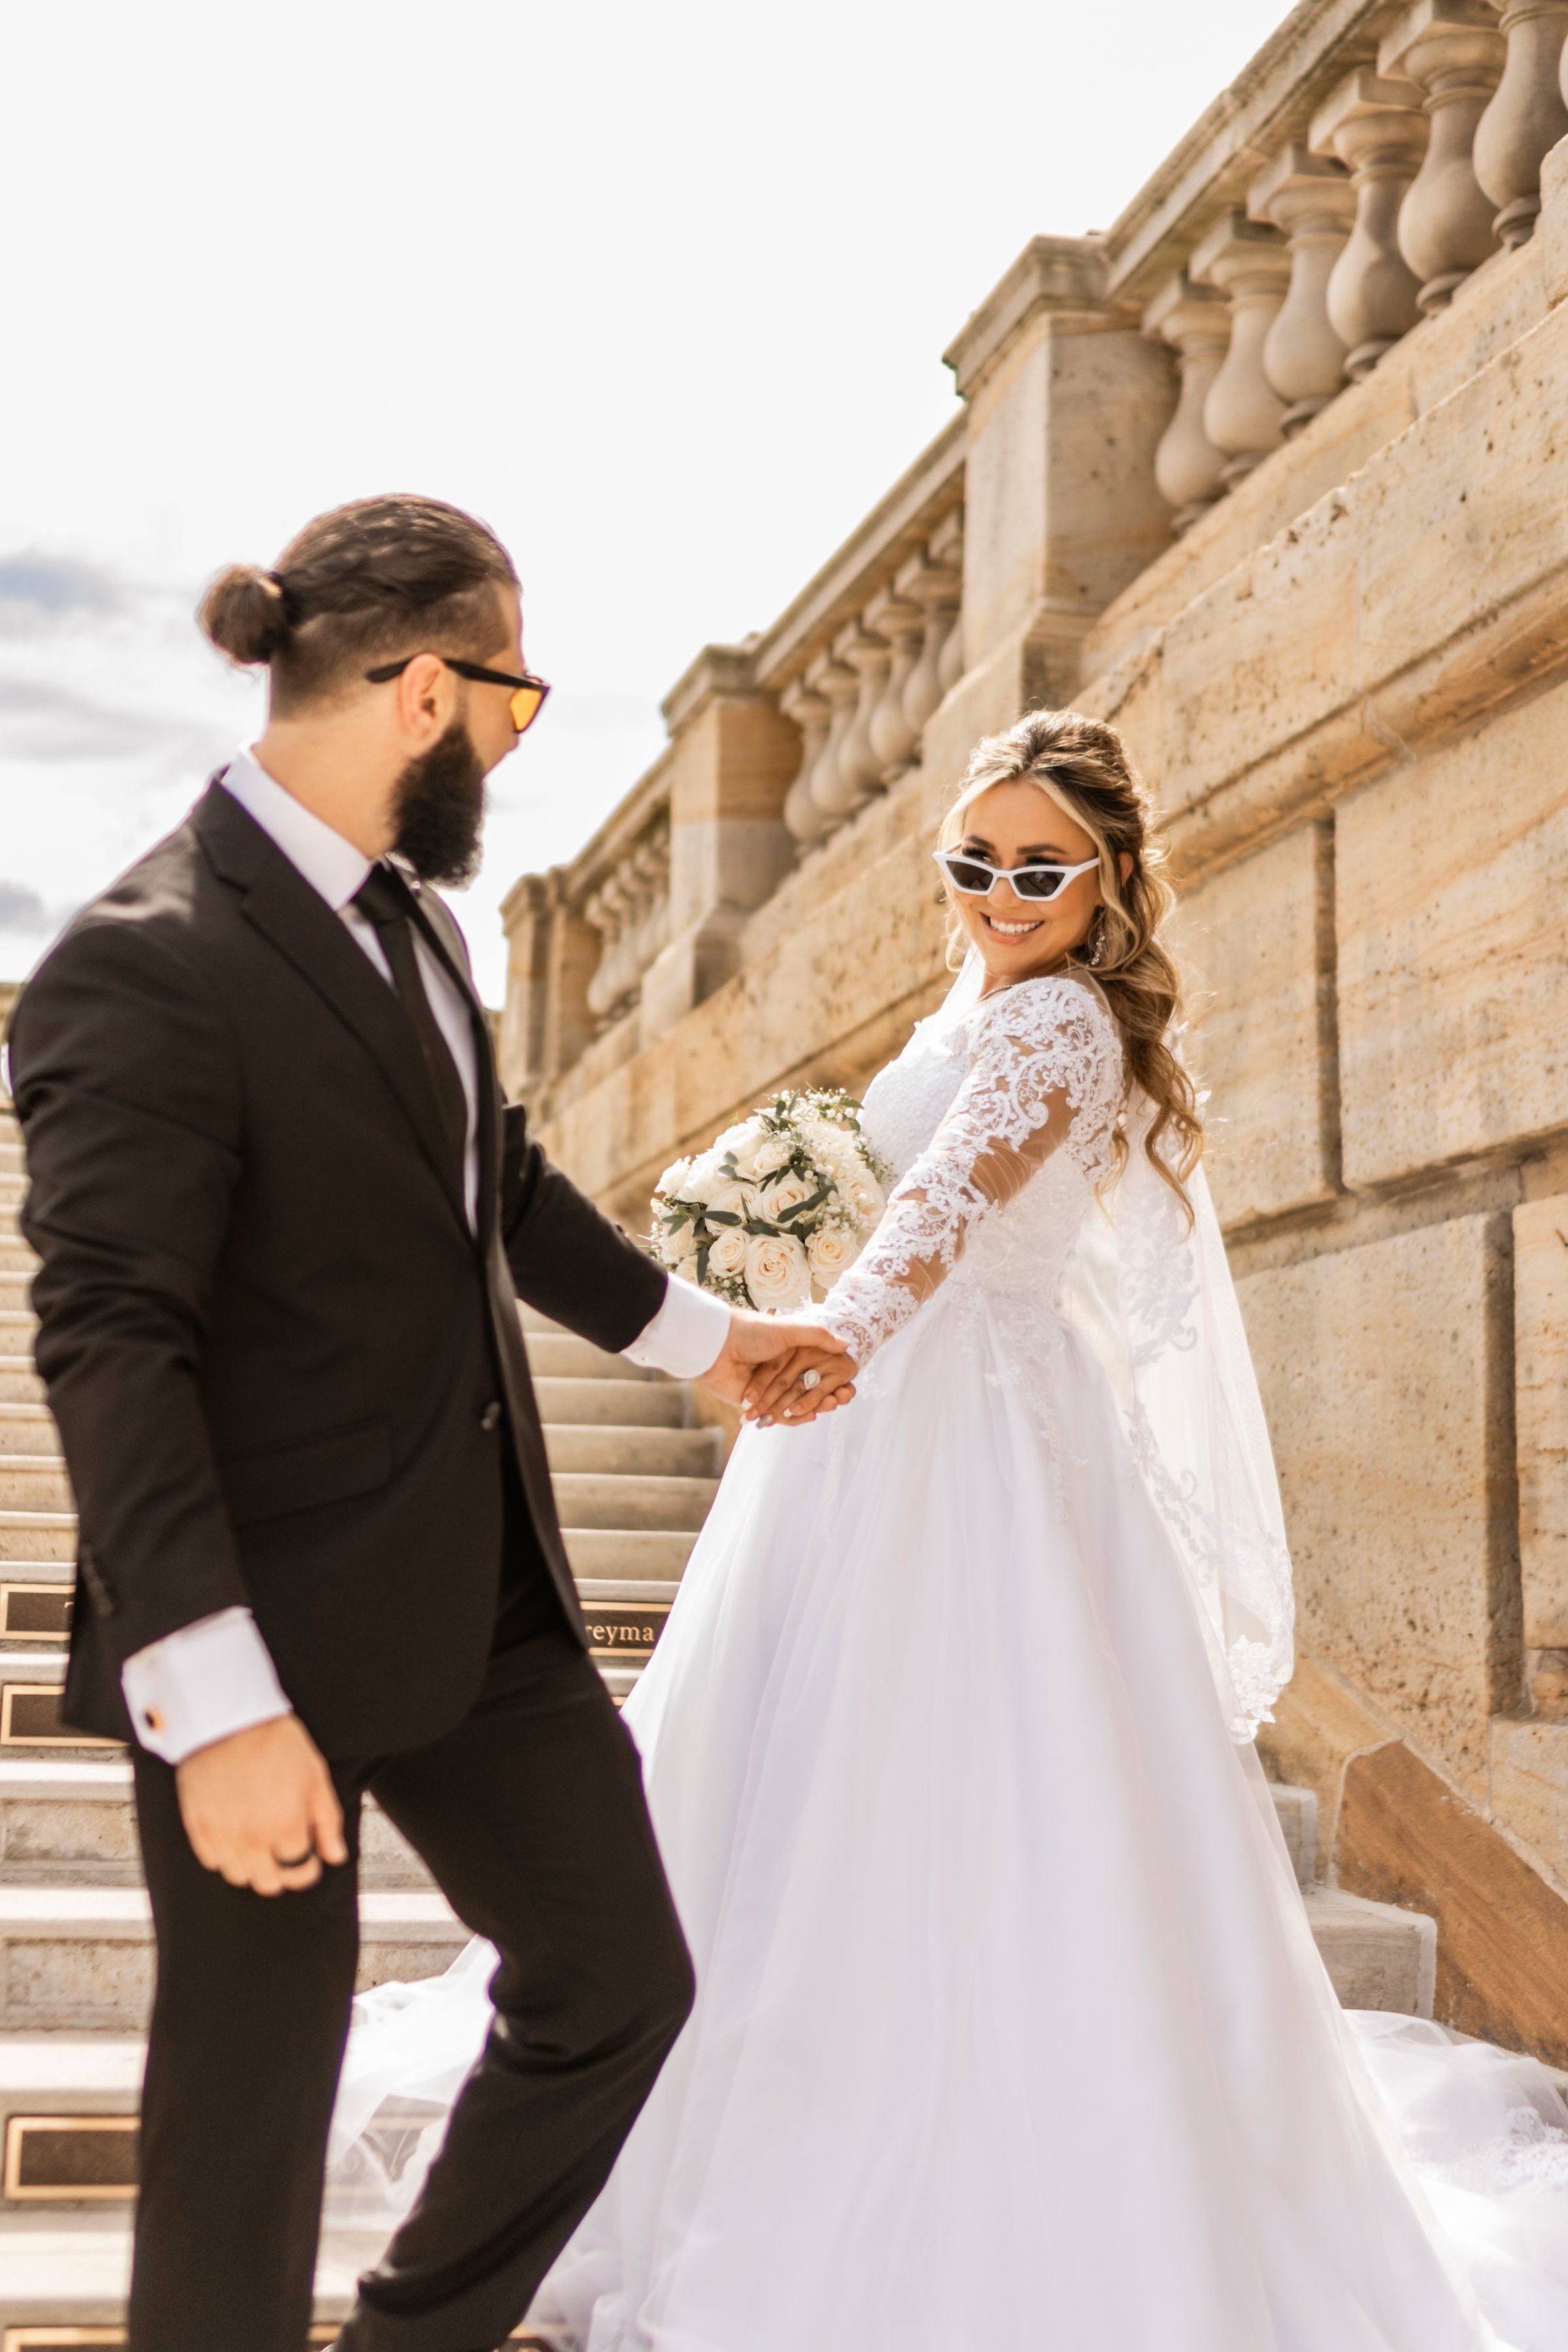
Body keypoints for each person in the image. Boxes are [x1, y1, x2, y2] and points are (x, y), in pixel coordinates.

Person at [335, 708, 1568, 2350]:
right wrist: (783, 1285)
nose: (1001, 889)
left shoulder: (1063, 1026)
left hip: (972, 1429)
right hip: (875, 1425)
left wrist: (821, 1337)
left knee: (964, 1778)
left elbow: (942, 1211)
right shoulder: (975, 998)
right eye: (973, 860)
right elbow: (882, 1181)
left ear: (1111, 874)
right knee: (794, 1769)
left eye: (1040, 865)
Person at [5, 493, 844, 2352]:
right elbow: (108, 1342)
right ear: (416, 689)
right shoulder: (141, 960)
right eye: (511, 703)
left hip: (480, 1610)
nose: (509, 747)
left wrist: (710, 1341)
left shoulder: (420, 929)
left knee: (617, 1983)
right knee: (250, 2104)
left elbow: (504, 1188)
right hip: (257, 1638)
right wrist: (211, 1701)